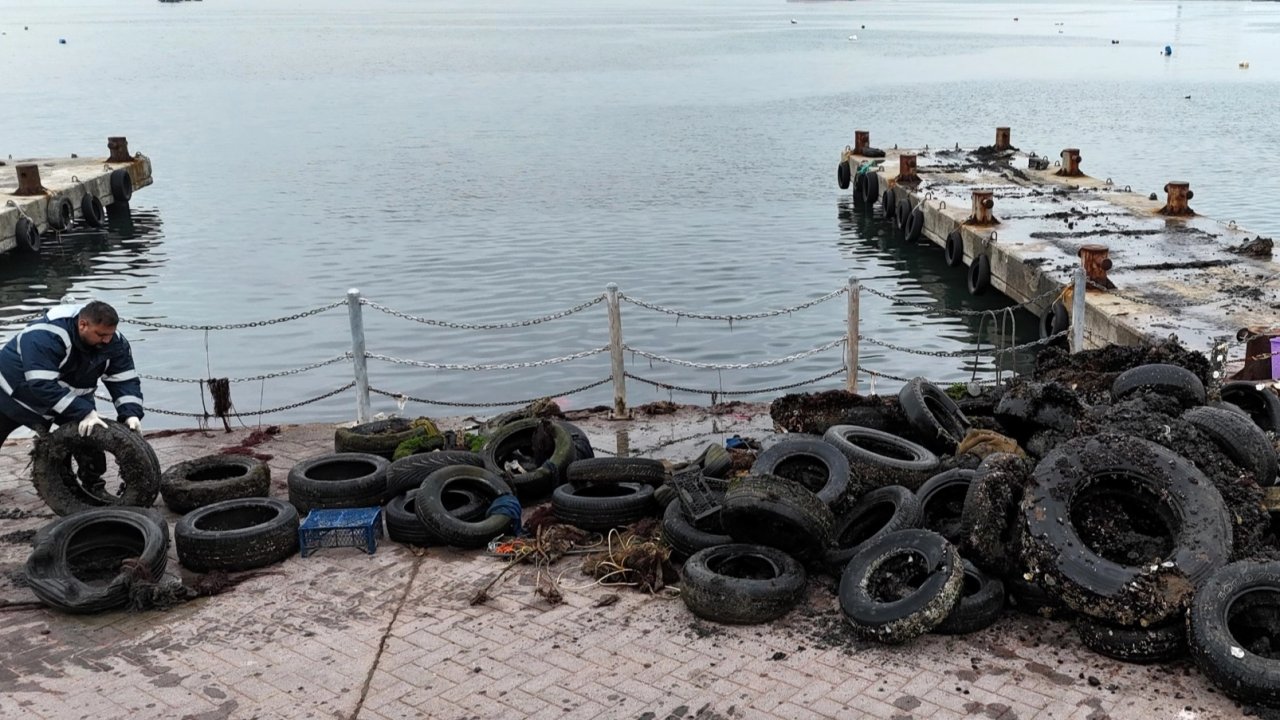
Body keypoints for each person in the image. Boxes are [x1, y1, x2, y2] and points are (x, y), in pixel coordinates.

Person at [0, 300, 144, 449]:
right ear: (83, 325)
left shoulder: (115, 343)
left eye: (111, 334)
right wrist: (84, 411)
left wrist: (130, 413)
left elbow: (124, 380)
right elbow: (41, 384)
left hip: (66, 399)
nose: (107, 340)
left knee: (91, 451)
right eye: (101, 334)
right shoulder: (45, 335)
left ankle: (72, 471)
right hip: (10, 393)